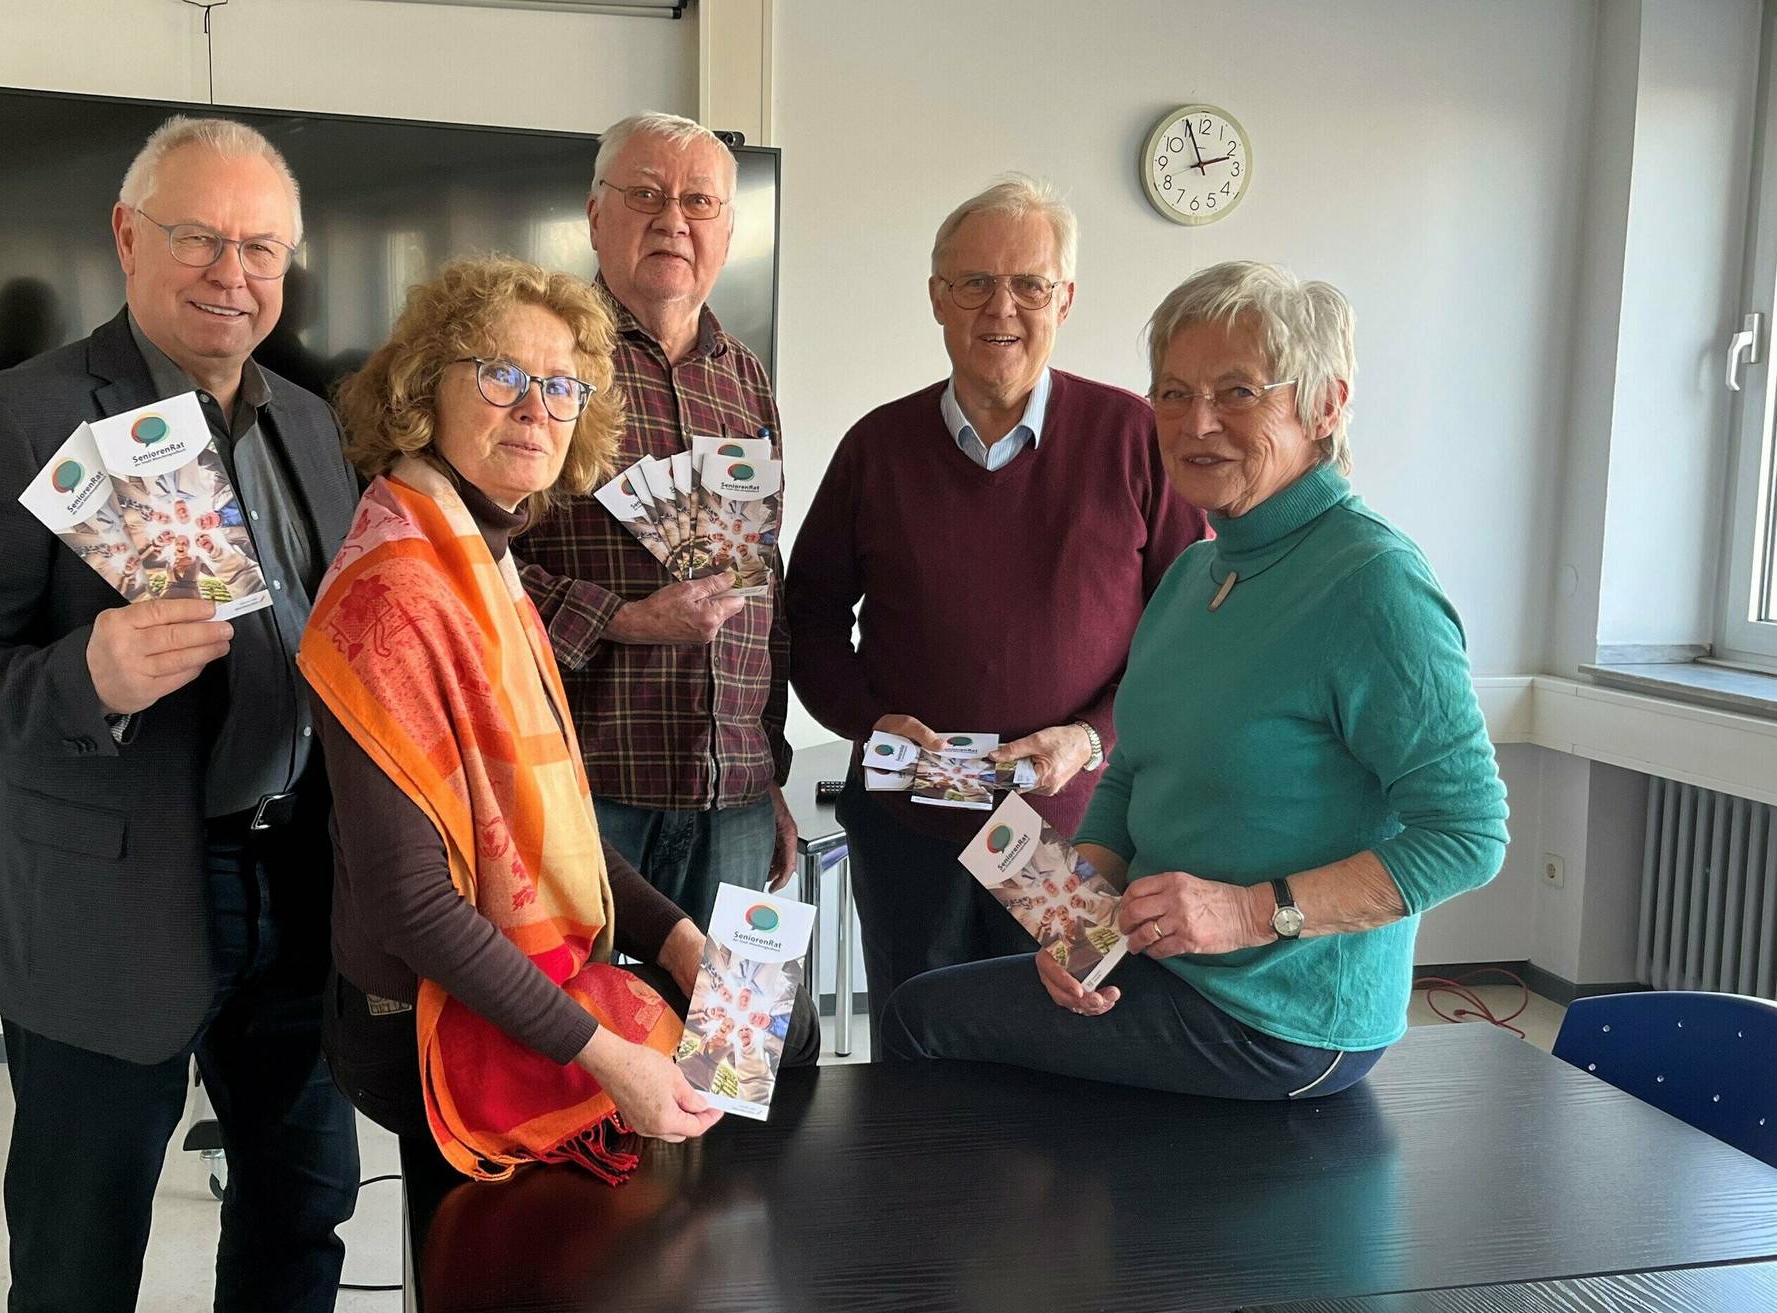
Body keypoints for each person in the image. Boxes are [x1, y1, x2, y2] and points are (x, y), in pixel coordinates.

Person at [0, 116, 361, 1310]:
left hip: (299, 887)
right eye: (200, 236)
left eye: (263, 248)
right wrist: (81, 677)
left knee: (301, 1215)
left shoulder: (312, 422)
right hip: (108, 905)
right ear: (126, 235)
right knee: (79, 1252)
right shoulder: (12, 417)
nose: (233, 273)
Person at [881, 260, 1511, 1099]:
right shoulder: (1193, 573)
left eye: (1239, 392)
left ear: (1326, 404)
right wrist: (1077, 933)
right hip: (1165, 972)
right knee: (946, 1013)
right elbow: (1135, 773)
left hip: (1280, 1016)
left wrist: (1249, 912)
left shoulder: (1372, 583)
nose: (1196, 422)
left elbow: (1469, 834)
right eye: (1172, 394)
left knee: (922, 1020)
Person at [307, 255, 817, 1183]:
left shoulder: (488, 564)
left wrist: (681, 941)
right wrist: (614, 1061)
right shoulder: (397, 591)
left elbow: (563, 833)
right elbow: (411, 903)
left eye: (562, 385)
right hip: (422, 1018)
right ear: (427, 389)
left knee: (772, 1046)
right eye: (500, 375)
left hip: (516, 984)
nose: (536, 408)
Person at [787, 175, 1207, 1054]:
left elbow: (1195, 633)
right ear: (938, 297)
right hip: (912, 825)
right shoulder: (877, 447)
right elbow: (811, 619)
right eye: (974, 282)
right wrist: (871, 722)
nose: (1001, 307)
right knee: (919, 1041)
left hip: (1076, 837)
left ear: (1066, 298)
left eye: (1029, 284)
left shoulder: (1136, 440)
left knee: (1069, 1046)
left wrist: (1090, 736)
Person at [512, 111, 796, 926]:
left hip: (734, 797)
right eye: (646, 194)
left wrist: (768, 770)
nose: (674, 219)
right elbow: (472, 563)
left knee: (727, 1047)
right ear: (596, 216)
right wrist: (625, 620)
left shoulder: (747, 378)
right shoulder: (544, 358)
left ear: (728, 231)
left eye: (699, 202)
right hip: (583, 790)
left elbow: (764, 583)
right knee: (577, 1040)